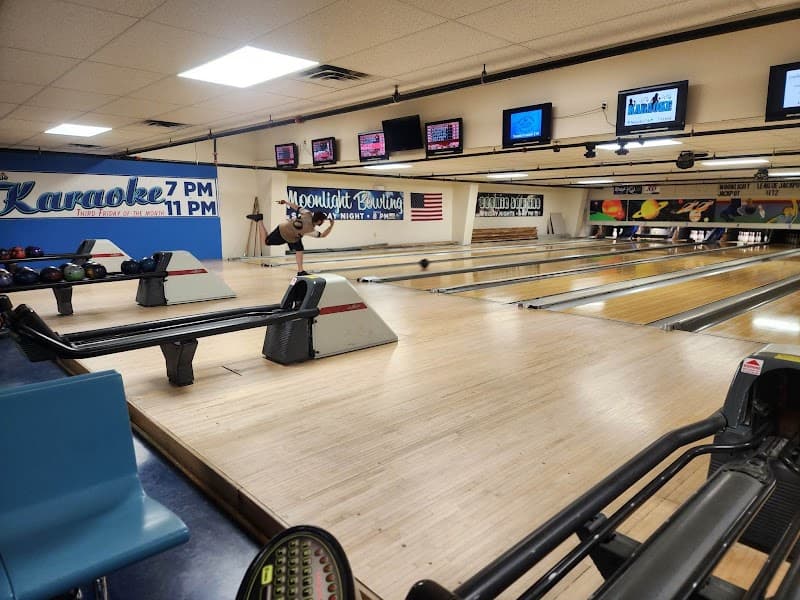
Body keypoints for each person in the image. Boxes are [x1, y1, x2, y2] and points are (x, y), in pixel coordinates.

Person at [247, 199, 334, 276]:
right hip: (283, 233)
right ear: (319, 221)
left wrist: (286, 202)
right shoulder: (310, 229)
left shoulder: (307, 213)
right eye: (323, 221)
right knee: (266, 242)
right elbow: (322, 235)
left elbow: (297, 207)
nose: (323, 222)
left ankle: (300, 271)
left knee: (299, 248)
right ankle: (259, 220)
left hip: (289, 231)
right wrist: (331, 226)